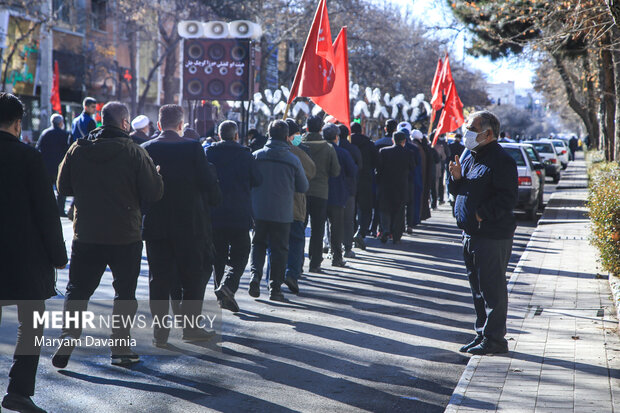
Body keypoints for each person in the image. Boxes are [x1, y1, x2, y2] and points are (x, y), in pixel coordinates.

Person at [54, 101, 164, 367]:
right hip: (124, 235)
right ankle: (120, 349)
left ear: (102, 121)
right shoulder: (134, 152)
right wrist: (157, 175)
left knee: (78, 290)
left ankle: (68, 336)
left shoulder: (77, 149)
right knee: (124, 293)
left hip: (87, 233)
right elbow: (154, 193)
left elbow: (62, 186)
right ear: (125, 123)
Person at [0, 93, 68, 413]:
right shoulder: (28, 157)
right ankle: (19, 390)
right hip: (24, 258)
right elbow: (46, 212)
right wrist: (58, 255)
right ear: (17, 123)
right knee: (33, 320)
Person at [141, 104, 220, 346]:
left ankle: (160, 333)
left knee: (159, 280)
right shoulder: (193, 147)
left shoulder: (145, 148)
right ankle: (191, 328)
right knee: (192, 277)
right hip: (189, 224)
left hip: (156, 224)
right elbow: (208, 183)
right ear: (181, 125)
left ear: (158, 125)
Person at [448, 110, 517, 355]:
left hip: (491, 236)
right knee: (477, 290)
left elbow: (507, 199)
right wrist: (455, 178)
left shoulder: (502, 160)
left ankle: (496, 339)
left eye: (472, 129)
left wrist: (480, 214)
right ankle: (482, 334)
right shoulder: (469, 155)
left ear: (488, 133)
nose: (466, 133)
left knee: (492, 290)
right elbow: (462, 191)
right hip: (470, 234)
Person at [206, 120, 262, 312]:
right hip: (239, 213)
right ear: (236, 135)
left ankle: (222, 292)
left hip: (215, 213)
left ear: (220, 135)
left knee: (218, 256)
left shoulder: (209, 153)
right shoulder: (245, 156)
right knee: (241, 253)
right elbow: (258, 180)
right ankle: (227, 287)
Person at [249, 120, 308, 301]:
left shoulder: (256, 156)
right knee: (279, 250)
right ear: (286, 136)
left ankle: (255, 275)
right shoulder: (293, 160)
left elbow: (249, 181)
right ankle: (275, 288)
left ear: (268, 134)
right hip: (282, 213)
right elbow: (303, 186)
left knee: (258, 244)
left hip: (258, 210)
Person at [302, 116, 340, 273]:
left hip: (301, 192)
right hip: (321, 192)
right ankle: (315, 263)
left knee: (299, 228)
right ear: (320, 129)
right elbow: (335, 171)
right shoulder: (328, 148)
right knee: (318, 229)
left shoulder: (298, 144)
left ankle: (296, 264)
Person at [283, 118, 316, 294]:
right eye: (296, 134)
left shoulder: (261, 151)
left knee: (275, 244)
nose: (299, 137)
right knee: (296, 240)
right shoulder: (299, 152)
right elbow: (311, 172)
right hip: (295, 203)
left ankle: (270, 280)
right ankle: (292, 273)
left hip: (271, 207)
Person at [324, 124, 358, 267]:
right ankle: (336, 256)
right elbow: (353, 171)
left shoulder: (316, 150)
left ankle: (315, 260)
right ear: (336, 137)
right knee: (336, 226)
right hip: (337, 193)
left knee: (319, 226)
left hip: (318, 194)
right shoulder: (343, 153)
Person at [377, 131, 415, 243]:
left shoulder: (383, 151)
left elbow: (378, 169)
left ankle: (385, 230)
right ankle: (397, 234)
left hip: (386, 185)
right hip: (402, 186)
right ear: (404, 141)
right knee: (399, 210)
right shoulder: (409, 153)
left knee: (385, 209)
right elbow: (412, 168)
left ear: (393, 140)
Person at [36, 113, 70, 216]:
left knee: (46, 190)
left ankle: (47, 209)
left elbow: (38, 148)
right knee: (60, 190)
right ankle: (60, 210)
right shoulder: (65, 134)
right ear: (60, 123)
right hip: (59, 166)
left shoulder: (45, 133)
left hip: (46, 166)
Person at [350, 122, 377, 250]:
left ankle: (352, 231)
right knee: (365, 209)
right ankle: (361, 232)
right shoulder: (369, 144)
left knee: (351, 208)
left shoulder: (347, 143)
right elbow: (377, 161)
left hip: (350, 180)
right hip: (366, 179)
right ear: (361, 131)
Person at [338, 124, 362, 258]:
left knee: (333, 220)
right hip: (350, 188)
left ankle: (332, 247)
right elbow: (360, 166)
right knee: (348, 220)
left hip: (334, 188)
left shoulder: (333, 148)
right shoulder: (353, 149)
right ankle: (347, 247)